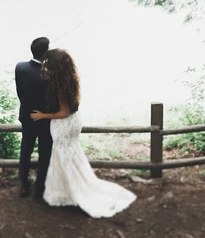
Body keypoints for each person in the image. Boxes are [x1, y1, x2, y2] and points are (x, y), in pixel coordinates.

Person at [30, 49, 136, 218]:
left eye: (48, 63)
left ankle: (71, 192)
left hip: (64, 123)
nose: (45, 66)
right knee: (72, 154)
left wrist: (42, 115)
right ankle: (73, 188)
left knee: (63, 157)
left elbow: (63, 113)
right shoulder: (70, 79)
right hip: (74, 121)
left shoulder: (59, 86)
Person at [15, 37, 53, 199]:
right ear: (45, 53)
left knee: (26, 149)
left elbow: (20, 93)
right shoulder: (50, 72)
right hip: (45, 119)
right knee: (45, 153)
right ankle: (40, 187)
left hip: (27, 116)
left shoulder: (20, 67)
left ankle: (23, 184)